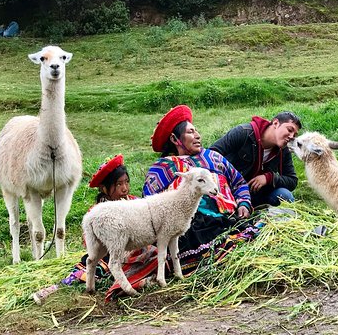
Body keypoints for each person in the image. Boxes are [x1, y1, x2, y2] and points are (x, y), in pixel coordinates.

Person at [104, 105, 262, 301]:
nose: (197, 135)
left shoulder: (214, 157)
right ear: (174, 139)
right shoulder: (162, 169)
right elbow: (149, 208)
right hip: (188, 227)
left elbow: (238, 183)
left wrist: (244, 204)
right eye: (190, 131)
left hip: (228, 217)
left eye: (196, 131)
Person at [33, 154, 137, 304]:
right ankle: (54, 290)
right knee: (91, 270)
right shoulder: (96, 212)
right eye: (119, 184)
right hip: (106, 255)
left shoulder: (134, 202)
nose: (125, 188)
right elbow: (88, 242)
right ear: (104, 188)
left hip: (135, 250)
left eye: (126, 182)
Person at [209, 111, 302, 207]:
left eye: (295, 135)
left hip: (257, 194)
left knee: (285, 196)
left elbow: (292, 180)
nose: (291, 137)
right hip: (229, 190)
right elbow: (211, 154)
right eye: (289, 130)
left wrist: (269, 178)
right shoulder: (243, 132)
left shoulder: (284, 150)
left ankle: (261, 213)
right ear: (275, 123)